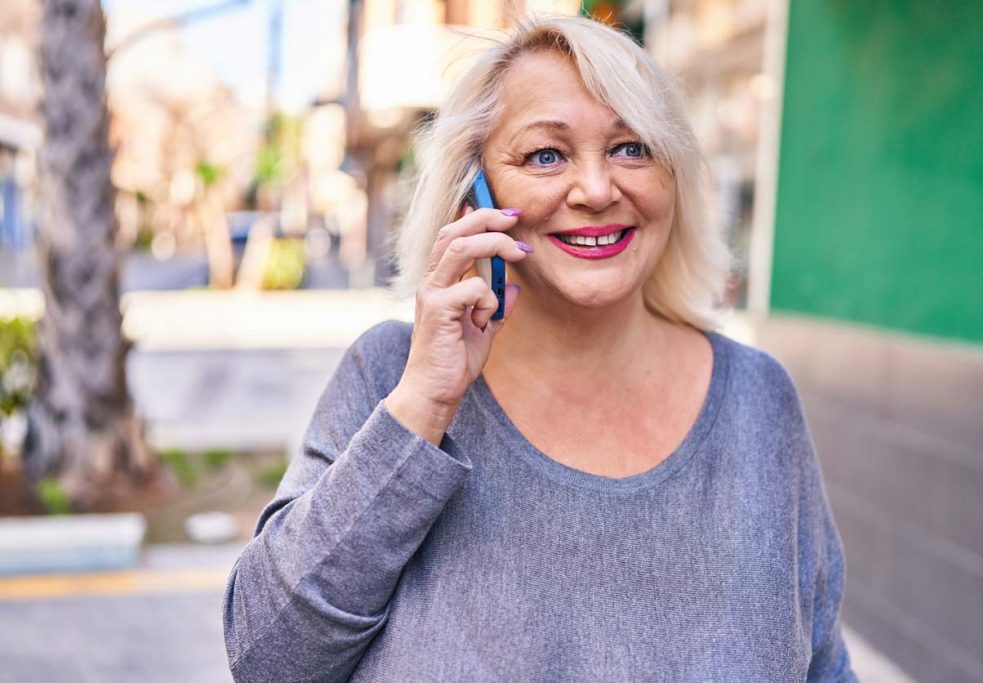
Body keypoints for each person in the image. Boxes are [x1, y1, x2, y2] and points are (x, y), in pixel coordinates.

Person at [223, 15, 856, 682]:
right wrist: (423, 407)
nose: (595, 189)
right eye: (545, 155)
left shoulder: (759, 397)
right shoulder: (392, 375)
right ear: (477, 195)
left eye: (631, 148)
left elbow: (823, 663)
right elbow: (269, 658)